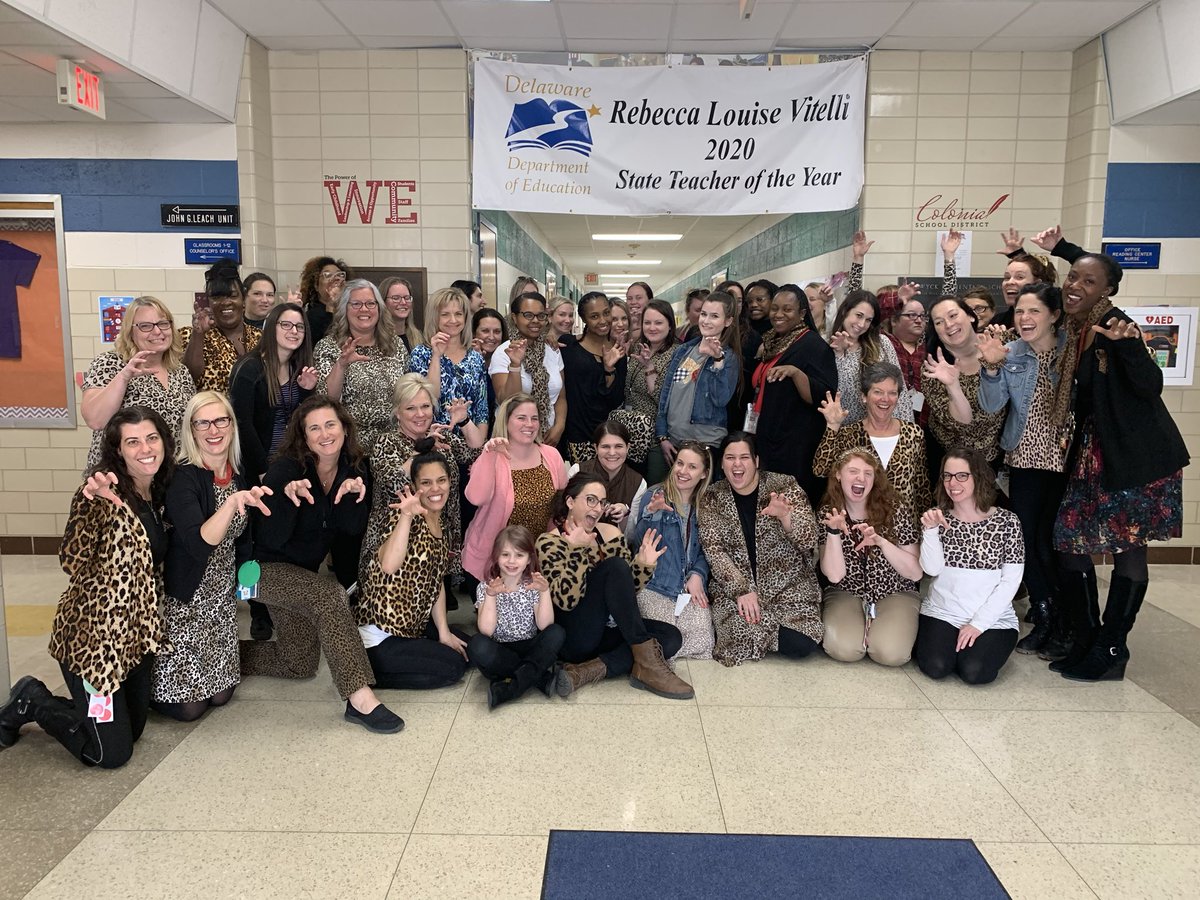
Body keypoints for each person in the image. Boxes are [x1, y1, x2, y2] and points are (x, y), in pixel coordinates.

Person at [0, 407, 175, 768]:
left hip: (135, 639)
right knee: (110, 753)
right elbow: (70, 561)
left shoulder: (156, 491)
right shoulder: (102, 493)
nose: (145, 448)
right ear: (118, 450)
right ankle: (31, 700)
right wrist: (87, 503)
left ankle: (77, 711)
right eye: (133, 441)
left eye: (151, 438)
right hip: (94, 642)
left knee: (134, 731)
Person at [1049, 252, 1188, 681]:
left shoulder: (1117, 327)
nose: (1075, 285)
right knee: (1069, 542)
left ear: (1107, 291)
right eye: (1073, 276)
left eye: (1088, 282)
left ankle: (1112, 647)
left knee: (1129, 550)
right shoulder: (1076, 329)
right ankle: (1091, 636)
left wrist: (1129, 347)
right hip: (1096, 453)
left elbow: (1150, 386)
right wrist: (1062, 247)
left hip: (1136, 458)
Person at [239, 396, 404, 734]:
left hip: (300, 575)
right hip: (256, 571)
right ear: (304, 436)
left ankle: (224, 657)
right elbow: (268, 537)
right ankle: (360, 698)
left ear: (344, 428)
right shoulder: (287, 468)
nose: (324, 433)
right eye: (314, 428)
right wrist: (285, 495)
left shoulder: (355, 467)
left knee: (298, 664)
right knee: (330, 597)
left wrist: (351, 497)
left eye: (330, 424)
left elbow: (350, 530)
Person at [154, 392, 269, 722]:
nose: (213, 429)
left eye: (221, 420)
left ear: (232, 426)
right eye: (202, 422)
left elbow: (245, 535)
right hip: (186, 599)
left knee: (220, 697)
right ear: (191, 430)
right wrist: (231, 504)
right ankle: (142, 685)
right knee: (189, 709)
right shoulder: (183, 477)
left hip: (220, 598)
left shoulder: (238, 473)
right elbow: (199, 544)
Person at [537, 473, 694, 699]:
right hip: (576, 635)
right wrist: (576, 549)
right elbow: (566, 600)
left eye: (602, 502)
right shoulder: (549, 541)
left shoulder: (609, 533)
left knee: (670, 636)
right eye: (590, 500)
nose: (598, 508)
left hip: (608, 628)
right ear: (570, 502)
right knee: (615, 566)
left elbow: (625, 594)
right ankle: (645, 664)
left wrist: (643, 565)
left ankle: (585, 672)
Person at [977, 284, 1069, 657]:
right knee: (1027, 538)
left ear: (1054, 315)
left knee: (1056, 541)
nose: (1025, 319)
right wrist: (992, 366)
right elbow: (991, 404)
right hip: (1026, 457)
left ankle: (1066, 617)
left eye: (1034, 311)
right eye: (1019, 312)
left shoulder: (1071, 351)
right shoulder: (1011, 352)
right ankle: (1045, 613)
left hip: (1066, 460)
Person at [698, 433, 823, 666]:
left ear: (756, 461)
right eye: (730, 458)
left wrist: (787, 518)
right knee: (736, 632)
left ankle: (759, 633)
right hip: (736, 588)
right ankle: (761, 630)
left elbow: (809, 540)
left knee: (802, 643)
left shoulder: (784, 485)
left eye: (744, 457)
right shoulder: (712, 496)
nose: (737, 464)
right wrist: (741, 590)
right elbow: (714, 551)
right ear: (722, 464)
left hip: (787, 586)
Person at [356, 447, 471, 691]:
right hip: (380, 637)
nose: (436, 489)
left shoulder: (444, 525)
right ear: (415, 486)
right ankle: (367, 675)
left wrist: (443, 632)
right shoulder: (401, 517)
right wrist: (406, 516)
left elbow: (436, 581)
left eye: (441, 480)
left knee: (468, 650)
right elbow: (388, 565)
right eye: (426, 483)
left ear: (450, 482)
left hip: (410, 628)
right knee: (454, 668)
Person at [364, 374, 484, 599]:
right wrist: (421, 450)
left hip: (438, 541)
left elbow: (475, 453)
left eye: (425, 406)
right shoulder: (386, 442)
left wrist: (464, 421)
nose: (420, 414)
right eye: (411, 408)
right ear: (397, 412)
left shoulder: (441, 436)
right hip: (398, 545)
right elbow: (393, 484)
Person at [916, 449, 1024, 685]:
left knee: (975, 672)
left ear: (978, 477)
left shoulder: (1007, 521)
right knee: (936, 666)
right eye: (947, 476)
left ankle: (974, 649)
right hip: (943, 612)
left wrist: (978, 624)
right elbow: (931, 570)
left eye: (962, 476)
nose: (952, 483)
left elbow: (1011, 582)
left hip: (992, 618)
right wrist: (931, 531)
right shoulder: (939, 518)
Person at [818, 448, 922, 667]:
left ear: (875, 479)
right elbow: (835, 576)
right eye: (853, 471)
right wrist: (834, 533)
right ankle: (862, 623)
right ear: (838, 475)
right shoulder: (829, 513)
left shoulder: (896, 510)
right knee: (844, 650)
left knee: (890, 654)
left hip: (895, 590)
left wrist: (882, 542)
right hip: (846, 590)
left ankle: (876, 625)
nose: (860, 478)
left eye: (868, 473)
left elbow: (914, 572)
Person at [80, 295, 196, 472]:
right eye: (145, 326)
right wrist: (124, 377)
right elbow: (95, 420)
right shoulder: (111, 363)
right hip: (118, 478)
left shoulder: (180, 371)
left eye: (163, 324)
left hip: (166, 478)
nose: (157, 332)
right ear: (130, 332)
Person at [462, 393, 569, 582]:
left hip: (537, 562)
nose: (529, 424)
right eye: (521, 418)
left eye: (534, 418)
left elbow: (562, 508)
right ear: (506, 421)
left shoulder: (551, 455)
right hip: (494, 562)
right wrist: (489, 455)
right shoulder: (493, 456)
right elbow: (476, 498)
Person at [750, 284, 838, 506]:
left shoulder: (813, 345)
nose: (779, 315)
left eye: (787, 310)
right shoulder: (770, 342)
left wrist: (796, 373)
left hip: (794, 447)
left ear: (802, 314)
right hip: (766, 438)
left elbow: (824, 395)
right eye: (775, 308)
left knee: (790, 507)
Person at [628, 442, 715, 659]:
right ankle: (656, 656)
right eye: (680, 463)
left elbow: (710, 549)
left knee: (705, 642)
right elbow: (639, 544)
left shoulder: (707, 505)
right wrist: (650, 514)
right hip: (655, 586)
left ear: (704, 474)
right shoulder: (654, 495)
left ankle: (656, 655)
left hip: (688, 587)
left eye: (692, 467)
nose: (683, 472)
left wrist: (698, 575)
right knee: (667, 638)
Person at [467, 525, 566, 708]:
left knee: (557, 632)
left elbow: (545, 626)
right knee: (477, 644)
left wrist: (544, 592)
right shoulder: (485, 587)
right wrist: (491, 596)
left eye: (519, 555)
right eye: (505, 554)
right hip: (500, 651)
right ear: (496, 556)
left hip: (529, 646)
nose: (512, 561)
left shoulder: (534, 585)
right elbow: (486, 630)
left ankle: (511, 688)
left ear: (529, 559)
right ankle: (537, 677)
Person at [814, 362, 930, 517]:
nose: (885, 399)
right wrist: (833, 426)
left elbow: (922, 488)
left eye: (892, 393)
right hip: (859, 527)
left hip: (903, 531)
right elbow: (820, 470)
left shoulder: (914, 433)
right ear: (864, 396)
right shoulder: (849, 434)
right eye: (878, 392)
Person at [314, 278, 408, 455]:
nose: (364, 309)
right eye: (356, 304)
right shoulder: (328, 347)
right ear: (344, 309)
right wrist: (341, 364)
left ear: (379, 309)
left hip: (393, 448)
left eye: (371, 304)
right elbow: (326, 401)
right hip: (349, 449)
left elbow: (408, 395)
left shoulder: (395, 345)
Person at [229, 302, 318, 484]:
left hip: (293, 462)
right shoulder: (250, 368)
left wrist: (306, 392)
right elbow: (242, 424)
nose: (294, 331)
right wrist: (263, 471)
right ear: (271, 327)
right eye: (286, 325)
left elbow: (304, 419)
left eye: (299, 327)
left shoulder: (299, 368)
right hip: (258, 467)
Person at [656, 291, 741, 470]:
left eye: (714, 316)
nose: (706, 321)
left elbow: (720, 399)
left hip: (706, 444)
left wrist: (717, 361)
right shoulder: (684, 350)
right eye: (703, 314)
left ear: (728, 321)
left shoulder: (728, 357)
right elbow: (667, 394)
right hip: (675, 442)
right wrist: (662, 435)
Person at [923, 296, 1006, 472]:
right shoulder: (934, 367)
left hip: (998, 458)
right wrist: (953, 386)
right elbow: (964, 424)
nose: (948, 324)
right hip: (948, 460)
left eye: (953, 315)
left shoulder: (999, 344)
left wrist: (992, 365)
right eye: (939, 322)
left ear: (971, 316)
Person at [409, 286, 489, 435]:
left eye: (458, 314)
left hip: (470, 443)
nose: (453, 320)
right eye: (445, 314)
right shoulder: (421, 354)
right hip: (435, 441)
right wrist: (436, 356)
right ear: (435, 317)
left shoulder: (475, 358)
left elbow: (482, 407)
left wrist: (480, 444)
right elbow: (430, 397)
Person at [490, 291, 566, 446]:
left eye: (541, 316)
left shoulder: (552, 350)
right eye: (528, 315)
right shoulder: (504, 352)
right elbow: (506, 400)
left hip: (549, 438)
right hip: (512, 439)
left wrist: (559, 426)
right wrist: (515, 365)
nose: (536, 321)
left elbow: (561, 396)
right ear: (514, 318)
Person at [827, 290, 914, 424]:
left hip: (884, 428)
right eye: (858, 315)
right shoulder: (827, 348)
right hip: (847, 432)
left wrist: (906, 429)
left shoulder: (882, 343)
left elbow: (899, 390)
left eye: (868, 320)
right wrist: (839, 355)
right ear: (845, 311)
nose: (861, 324)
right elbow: (838, 396)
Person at [560, 291, 626, 463]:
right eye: (594, 316)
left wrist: (609, 368)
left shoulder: (618, 352)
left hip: (607, 437)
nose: (603, 320)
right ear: (584, 319)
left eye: (606, 313)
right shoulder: (568, 346)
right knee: (585, 486)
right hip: (577, 433)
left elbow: (615, 399)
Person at [180, 260, 262, 394]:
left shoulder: (261, 337)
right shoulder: (190, 335)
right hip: (213, 413)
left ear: (243, 299)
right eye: (217, 297)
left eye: (233, 296)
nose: (225, 302)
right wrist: (198, 334)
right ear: (209, 301)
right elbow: (187, 378)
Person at [623, 298, 679, 481]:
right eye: (647, 322)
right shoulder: (638, 347)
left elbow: (664, 399)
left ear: (670, 325)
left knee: (653, 488)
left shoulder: (677, 354)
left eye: (658, 322)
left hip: (656, 437)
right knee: (633, 488)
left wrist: (649, 367)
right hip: (631, 432)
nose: (652, 328)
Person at [567, 420, 647, 529]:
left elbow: (631, 537)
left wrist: (625, 513)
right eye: (605, 447)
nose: (612, 453)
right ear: (596, 448)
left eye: (618, 446)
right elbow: (565, 514)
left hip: (614, 543)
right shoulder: (577, 471)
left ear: (627, 448)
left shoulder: (638, 483)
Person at [299, 256, 351, 344]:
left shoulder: (352, 310)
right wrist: (330, 306)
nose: (336, 278)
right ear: (316, 285)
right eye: (328, 275)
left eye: (340, 274)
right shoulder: (311, 316)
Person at [471, 307, 507, 422]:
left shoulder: (508, 361)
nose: (491, 337)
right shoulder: (464, 359)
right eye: (485, 331)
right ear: (473, 332)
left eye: (497, 332)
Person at [381, 276, 423, 353]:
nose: (403, 302)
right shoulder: (377, 339)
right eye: (396, 298)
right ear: (383, 302)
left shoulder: (419, 338)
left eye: (407, 298)